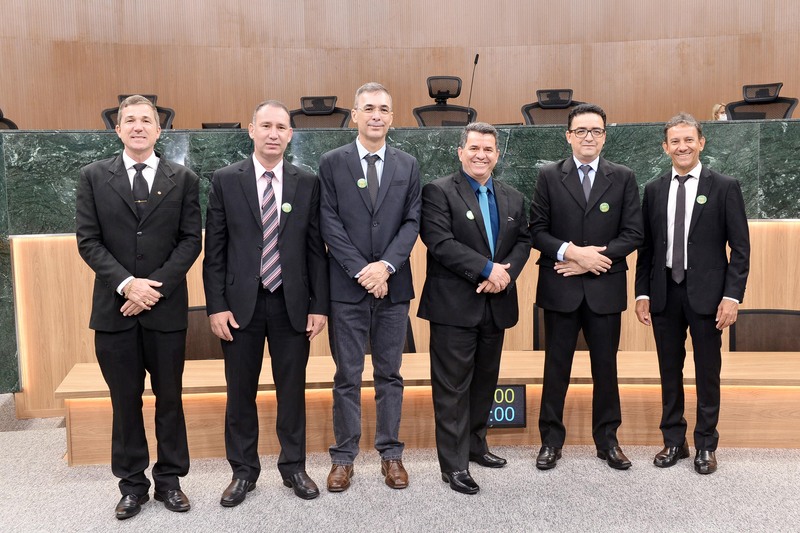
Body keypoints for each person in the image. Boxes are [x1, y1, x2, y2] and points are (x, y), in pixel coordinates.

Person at [76, 95, 201, 519]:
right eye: (129, 120)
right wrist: (129, 285)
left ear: (158, 129)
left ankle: (170, 482)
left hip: (165, 312)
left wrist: (153, 290)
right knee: (124, 403)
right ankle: (132, 486)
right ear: (118, 129)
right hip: (114, 313)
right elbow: (88, 241)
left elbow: (190, 241)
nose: (138, 126)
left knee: (170, 400)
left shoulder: (183, 179)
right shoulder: (93, 176)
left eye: (146, 120)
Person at [203, 100, 329, 504]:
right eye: (266, 126)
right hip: (240, 306)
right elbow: (215, 251)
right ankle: (243, 472)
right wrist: (215, 306)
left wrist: (319, 305)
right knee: (240, 393)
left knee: (292, 391)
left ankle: (294, 468)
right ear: (252, 130)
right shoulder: (226, 180)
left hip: (292, 304)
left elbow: (316, 250)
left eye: (281, 127)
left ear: (290, 135)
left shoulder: (307, 182)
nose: (273, 134)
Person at [319, 82, 421, 492]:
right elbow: (328, 221)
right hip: (347, 288)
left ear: (391, 117)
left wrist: (386, 267)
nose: (376, 115)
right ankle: (343, 458)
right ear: (355, 115)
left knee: (389, 374)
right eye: (368, 108)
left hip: (393, 288)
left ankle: (391, 454)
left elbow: (412, 221)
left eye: (383, 109)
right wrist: (363, 271)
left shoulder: (408, 164)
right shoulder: (332, 163)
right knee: (347, 375)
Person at [418, 122, 531, 494]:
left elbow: (524, 241)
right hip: (453, 306)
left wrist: (504, 275)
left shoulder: (513, 196)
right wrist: (487, 269)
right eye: (474, 148)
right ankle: (454, 465)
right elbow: (440, 242)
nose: (481, 155)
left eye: (488, 149)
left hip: (496, 303)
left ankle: (476, 445)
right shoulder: (438, 191)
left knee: (485, 381)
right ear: (460, 152)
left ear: (497, 154)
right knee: (452, 388)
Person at [530, 103, 643, 471]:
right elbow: (537, 231)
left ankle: (608, 441)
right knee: (556, 368)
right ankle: (550, 442)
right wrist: (574, 253)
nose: (588, 137)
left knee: (606, 369)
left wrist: (594, 259)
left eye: (595, 131)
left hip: (604, 287)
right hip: (560, 287)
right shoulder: (549, 175)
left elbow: (634, 233)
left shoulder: (623, 176)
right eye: (581, 131)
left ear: (605, 137)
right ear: (569, 136)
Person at [634, 113, 750, 475]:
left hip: (709, 297)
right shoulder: (653, 189)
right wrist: (641, 293)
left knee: (707, 372)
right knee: (669, 370)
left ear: (701, 143)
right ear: (665, 147)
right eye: (675, 141)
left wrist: (732, 296)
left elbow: (740, 249)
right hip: (664, 293)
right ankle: (674, 441)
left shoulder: (725, 186)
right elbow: (647, 249)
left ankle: (705, 445)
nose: (682, 147)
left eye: (688, 140)